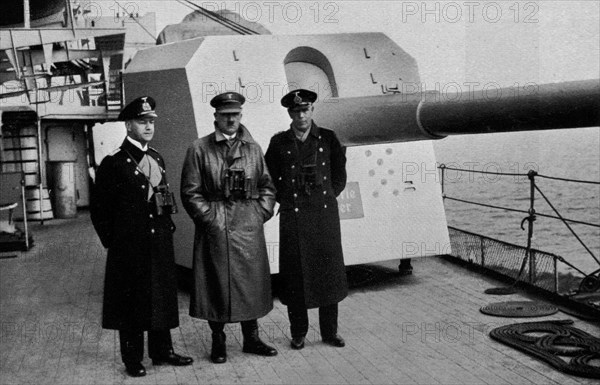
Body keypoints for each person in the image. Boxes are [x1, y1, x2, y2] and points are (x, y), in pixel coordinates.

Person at [90, 96, 193, 377]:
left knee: (160, 294)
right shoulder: (114, 163)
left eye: (151, 122)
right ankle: (132, 358)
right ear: (128, 125)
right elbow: (99, 211)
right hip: (129, 246)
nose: (148, 127)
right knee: (131, 301)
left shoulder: (156, 157)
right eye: (141, 121)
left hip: (158, 239)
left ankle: (162, 351)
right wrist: (116, 242)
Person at [180, 92, 278, 363]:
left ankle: (252, 338)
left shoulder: (253, 149)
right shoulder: (199, 148)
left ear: (241, 116)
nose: (231, 119)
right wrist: (211, 219)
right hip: (216, 227)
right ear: (216, 118)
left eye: (235, 114)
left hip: (248, 226)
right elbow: (190, 192)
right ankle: (218, 340)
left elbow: (267, 187)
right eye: (225, 115)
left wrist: (259, 213)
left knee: (252, 284)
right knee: (216, 285)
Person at [265, 89, 348, 350]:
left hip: (323, 217)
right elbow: (269, 178)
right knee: (295, 276)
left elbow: (339, 177)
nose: (301, 115)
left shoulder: (328, 139)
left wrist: (325, 199)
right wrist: (288, 200)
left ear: (312, 110)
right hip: (294, 217)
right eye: (296, 111)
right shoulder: (279, 143)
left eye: (305, 110)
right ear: (290, 113)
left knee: (328, 273)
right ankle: (298, 332)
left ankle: (329, 332)